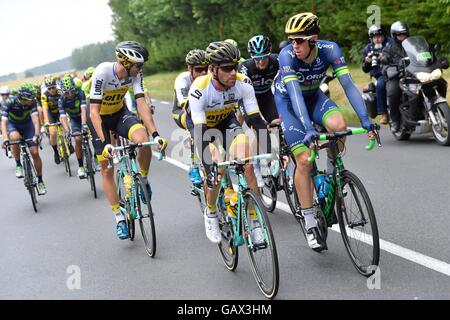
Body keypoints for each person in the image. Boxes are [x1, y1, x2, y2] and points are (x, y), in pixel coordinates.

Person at [274, 13, 375, 250]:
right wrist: (308, 128)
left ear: (313, 39)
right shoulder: (286, 55)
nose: (294, 45)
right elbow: (295, 95)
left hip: (315, 97)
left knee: (339, 127)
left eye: (299, 40)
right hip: (290, 103)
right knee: (304, 160)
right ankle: (309, 221)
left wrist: (365, 119)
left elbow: (348, 85)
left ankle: (331, 178)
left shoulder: (330, 50)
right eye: (291, 40)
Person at [87, 40, 168, 240]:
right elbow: (94, 112)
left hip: (120, 113)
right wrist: (106, 141)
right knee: (106, 167)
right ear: (125, 62)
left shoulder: (135, 74)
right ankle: (119, 217)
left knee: (143, 139)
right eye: (138, 65)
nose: (141, 69)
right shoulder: (102, 73)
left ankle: (143, 178)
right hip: (100, 120)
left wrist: (156, 134)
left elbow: (141, 104)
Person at [188, 41, 267, 245]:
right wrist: (209, 168)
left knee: (246, 162)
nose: (233, 72)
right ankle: (211, 212)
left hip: (226, 121)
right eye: (226, 68)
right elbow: (201, 132)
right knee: (216, 163)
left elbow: (254, 119)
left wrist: (271, 153)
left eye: (235, 66)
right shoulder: (199, 89)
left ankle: (255, 221)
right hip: (203, 127)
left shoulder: (243, 83)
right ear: (212, 69)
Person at [1, 83, 47, 194]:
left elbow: (36, 120)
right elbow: (4, 122)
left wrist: (37, 134)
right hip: (13, 125)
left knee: (34, 152)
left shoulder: (32, 102)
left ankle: (40, 180)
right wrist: (5, 138)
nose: (33, 100)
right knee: (14, 137)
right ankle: (18, 164)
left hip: (27, 125)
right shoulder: (9, 102)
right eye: (30, 99)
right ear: (23, 98)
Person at [172, 49, 209, 186]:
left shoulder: (210, 76)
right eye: (199, 70)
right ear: (190, 69)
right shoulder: (182, 80)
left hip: (203, 110)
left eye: (206, 69)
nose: (204, 73)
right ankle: (193, 166)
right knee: (194, 122)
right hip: (181, 111)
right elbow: (185, 104)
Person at [381, 21, 409, 133]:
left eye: (404, 34)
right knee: (393, 92)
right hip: (396, 76)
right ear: (394, 35)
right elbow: (383, 64)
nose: (403, 37)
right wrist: (390, 70)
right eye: (400, 35)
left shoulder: (412, 45)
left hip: (413, 74)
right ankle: (395, 120)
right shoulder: (389, 49)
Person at [58, 74, 88, 178]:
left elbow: (84, 110)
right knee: (78, 139)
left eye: (71, 91)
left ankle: (96, 158)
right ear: (63, 92)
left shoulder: (80, 92)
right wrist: (67, 131)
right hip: (74, 119)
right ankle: (81, 167)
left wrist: (84, 125)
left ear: (74, 88)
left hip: (85, 116)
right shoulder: (61, 99)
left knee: (93, 135)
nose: (70, 94)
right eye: (66, 92)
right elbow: (63, 118)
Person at [362, 25, 392, 124]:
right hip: (381, 74)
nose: (377, 39)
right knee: (380, 84)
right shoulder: (368, 48)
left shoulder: (391, 43)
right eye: (374, 37)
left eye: (379, 36)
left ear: (384, 36)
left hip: (394, 70)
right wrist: (367, 61)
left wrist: (385, 56)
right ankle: (383, 113)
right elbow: (365, 69)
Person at [41, 75, 63, 164]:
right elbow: (45, 109)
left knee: (66, 126)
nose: (52, 90)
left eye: (53, 87)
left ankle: (68, 143)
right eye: (49, 89)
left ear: (56, 86)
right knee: (53, 133)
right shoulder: (44, 95)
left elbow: (66, 106)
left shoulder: (60, 92)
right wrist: (46, 121)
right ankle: (56, 152)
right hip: (50, 114)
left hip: (60, 112)